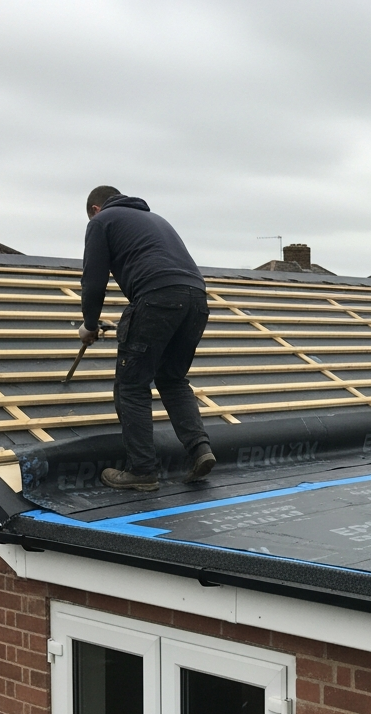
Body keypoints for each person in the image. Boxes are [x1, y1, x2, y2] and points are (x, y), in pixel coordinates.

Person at [79, 185, 216, 491]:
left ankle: (142, 470)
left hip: (158, 298)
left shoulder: (101, 222)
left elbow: (93, 281)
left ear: (95, 209)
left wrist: (89, 324)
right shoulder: (154, 219)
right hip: (196, 299)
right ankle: (200, 451)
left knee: (131, 383)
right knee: (172, 378)